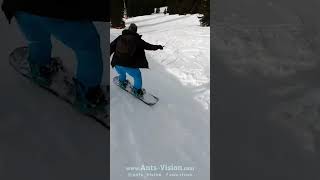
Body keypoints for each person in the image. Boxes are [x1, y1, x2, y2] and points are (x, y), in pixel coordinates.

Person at [1, 0, 109, 107]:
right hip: (58, 10)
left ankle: (40, 68)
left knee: (37, 39)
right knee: (88, 48)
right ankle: (89, 95)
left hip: (21, 7)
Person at [110, 23, 163, 97]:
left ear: (128, 29)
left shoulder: (119, 37)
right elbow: (149, 46)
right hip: (129, 65)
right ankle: (137, 90)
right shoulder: (137, 40)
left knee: (122, 73)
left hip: (117, 63)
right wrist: (158, 46)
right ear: (135, 31)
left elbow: (110, 47)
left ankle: (122, 81)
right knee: (137, 76)